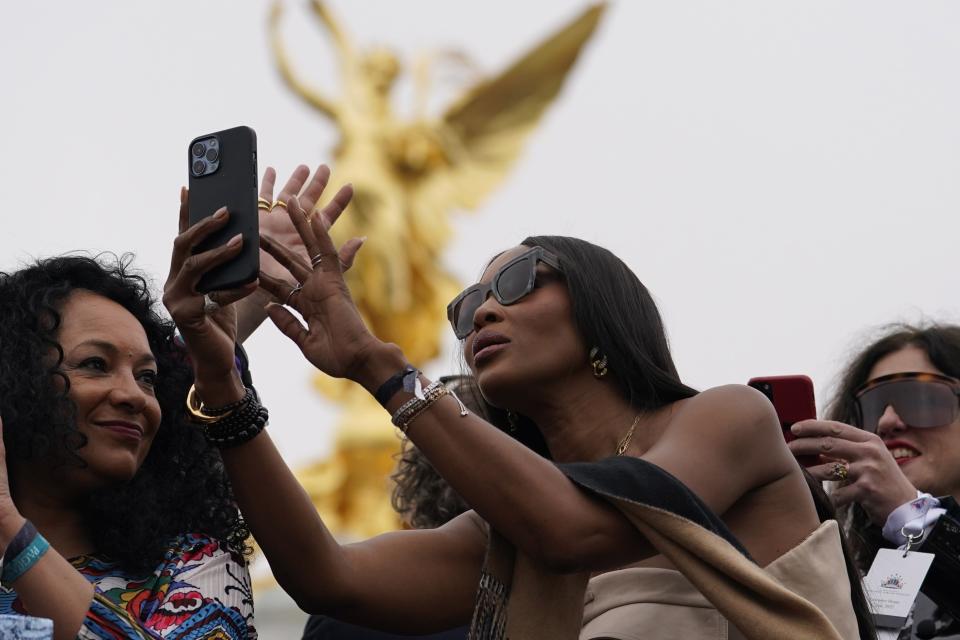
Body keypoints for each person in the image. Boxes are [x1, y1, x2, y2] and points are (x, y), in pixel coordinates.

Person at [165, 178, 874, 639]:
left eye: (514, 280)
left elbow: (576, 531)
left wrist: (378, 367)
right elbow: (329, 579)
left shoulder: (728, 421)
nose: (482, 314)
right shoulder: (501, 533)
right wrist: (220, 374)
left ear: (602, 307)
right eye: (466, 307)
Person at [0, 255, 255, 639]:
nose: (135, 396)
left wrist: (9, 530)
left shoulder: (193, 564)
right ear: (15, 382)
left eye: (148, 378)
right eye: (96, 364)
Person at [789, 325, 960, 639]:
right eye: (871, 407)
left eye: (919, 398)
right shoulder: (843, 572)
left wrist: (912, 516)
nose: (886, 423)